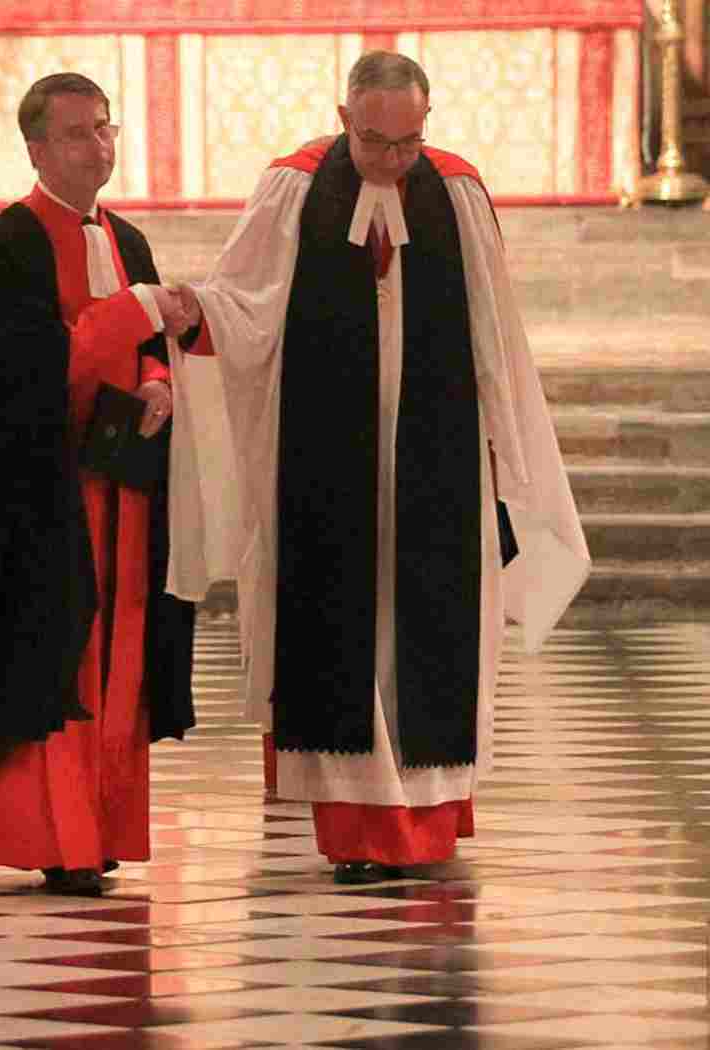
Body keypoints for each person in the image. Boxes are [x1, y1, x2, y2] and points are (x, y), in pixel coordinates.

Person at [167, 52, 590, 884]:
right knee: (344, 627)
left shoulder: (458, 191)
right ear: (343, 115)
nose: (393, 160)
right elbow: (243, 301)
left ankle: (426, 822)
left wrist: (506, 439)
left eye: (408, 143)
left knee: (429, 628)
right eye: (374, 142)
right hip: (324, 461)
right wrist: (197, 313)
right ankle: (360, 832)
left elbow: (496, 330)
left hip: (443, 456)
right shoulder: (293, 186)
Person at [0, 73, 196, 897]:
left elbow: (152, 351)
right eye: (77, 133)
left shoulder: (130, 239)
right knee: (55, 658)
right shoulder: (0, 248)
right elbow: (28, 367)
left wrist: (159, 383)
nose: (98, 145)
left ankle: (100, 825)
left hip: (125, 494)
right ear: (37, 147)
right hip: (38, 499)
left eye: (106, 128)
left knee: (118, 661)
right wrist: (135, 314)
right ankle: (56, 835)